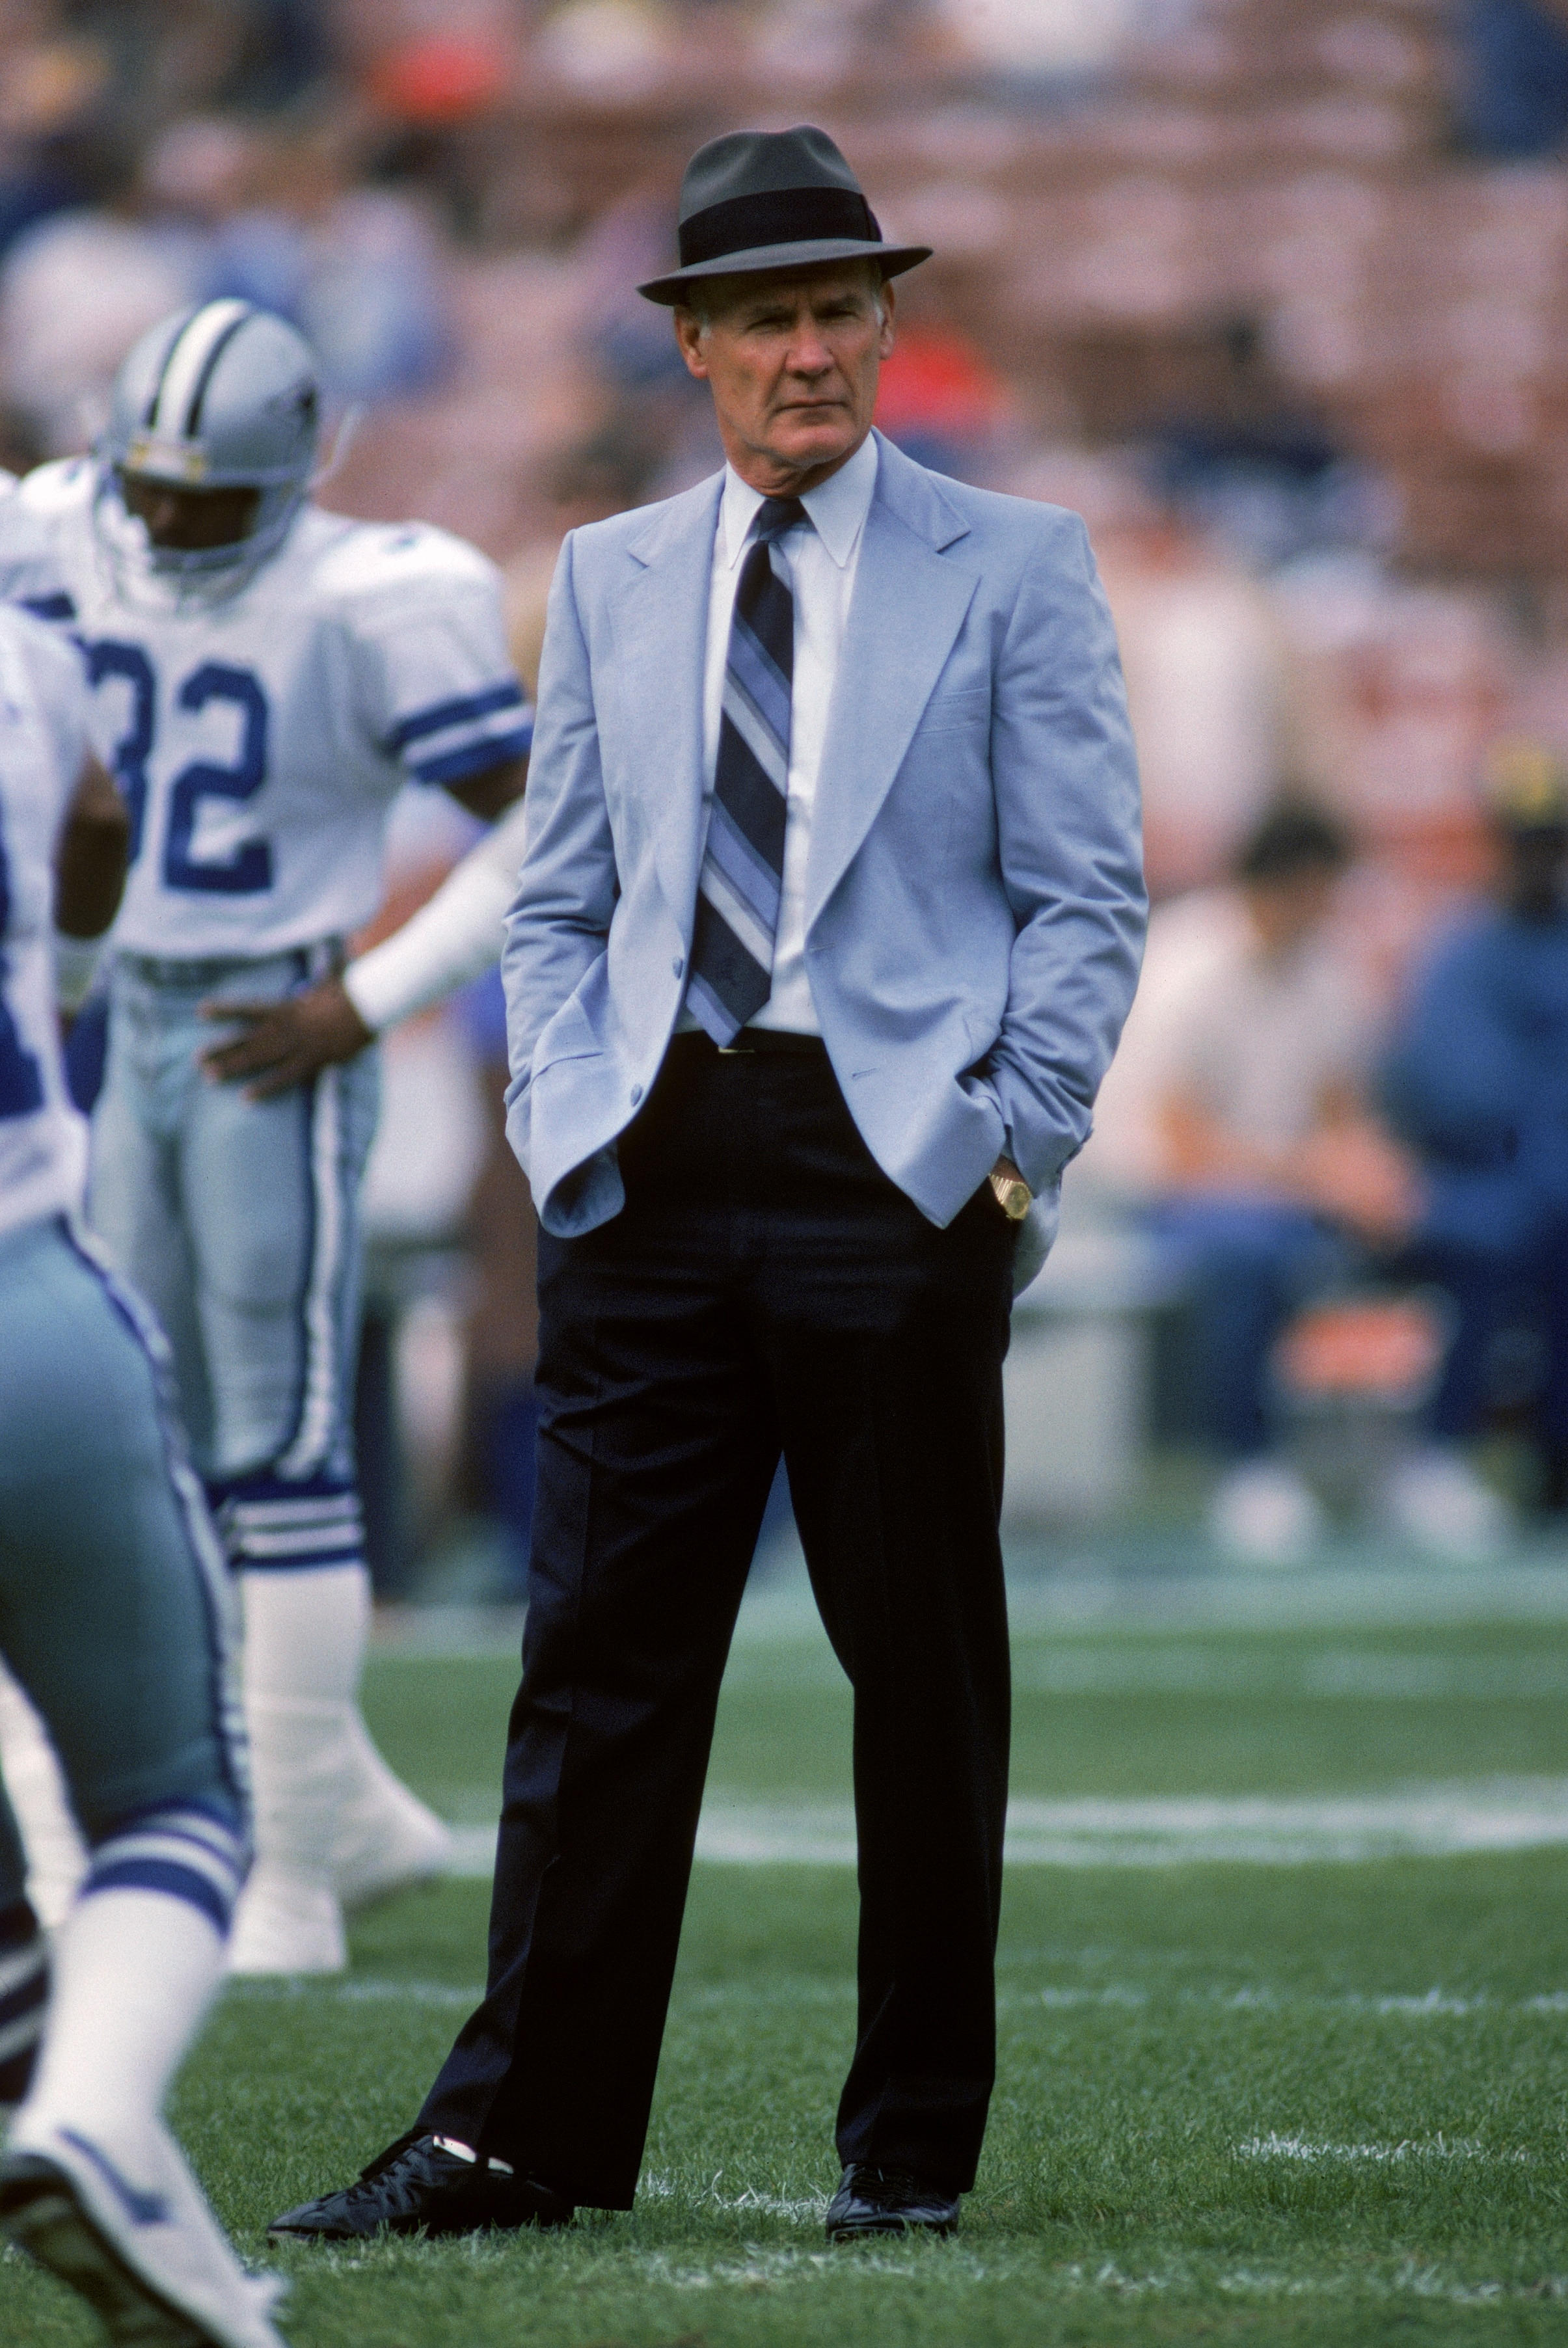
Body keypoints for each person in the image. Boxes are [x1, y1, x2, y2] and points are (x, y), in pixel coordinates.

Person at [271, 124, 1142, 2247]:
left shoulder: (1014, 559)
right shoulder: (610, 572)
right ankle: (521, 2133)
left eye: (842, 307)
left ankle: (911, 2140)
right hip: (647, 1169)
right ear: (696, 344)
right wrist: (569, 1112)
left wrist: (1009, 1142)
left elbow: (1089, 897)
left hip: (899, 1164)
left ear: (883, 327)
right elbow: (557, 894)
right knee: (594, 1663)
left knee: (918, 1667)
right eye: (767, 315)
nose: (810, 349)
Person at [2, 299, 530, 1975]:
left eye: (206, 501)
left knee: (271, 1431)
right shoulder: (46, 524)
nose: (162, 526)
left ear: (303, 473)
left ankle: (290, 1866)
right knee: (127, 1429)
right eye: (143, 489)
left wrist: (367, 996)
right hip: (99, 1012)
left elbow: (550, 833)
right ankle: (325, 1810)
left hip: (265, 1021)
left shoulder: (389, 593)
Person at [0, 598, 285, 2348]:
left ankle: (172, 2269)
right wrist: (78, 973)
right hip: (21, 1285)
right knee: (176, 1804)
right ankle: (96, 2129)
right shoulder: (22, 645)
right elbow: (100, 820)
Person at [1122, 801, 1506, 1561]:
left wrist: (1374, 1175)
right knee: (1247, 1256)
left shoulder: (1329, 967)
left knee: (1464, 1232)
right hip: (1177, 1198)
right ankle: (1247, 1465)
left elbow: (1342, 1108)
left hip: (1291, 1198)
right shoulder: (1183, 964)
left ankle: (1429, 1456)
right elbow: (1178, 1146)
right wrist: (1310, 1176)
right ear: (1280, 886)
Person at [1383, 739, 1568, 1517]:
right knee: (1501, 1238)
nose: (1537, 864)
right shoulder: (1460, 952)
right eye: (1524, 846)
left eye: (1550, 846)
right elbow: (1456, 1094)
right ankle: (1443, 1451)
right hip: (1483, 1181)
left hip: (1549, 1179)